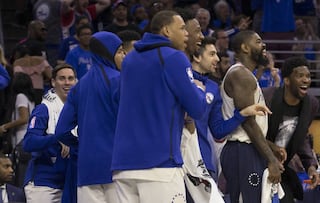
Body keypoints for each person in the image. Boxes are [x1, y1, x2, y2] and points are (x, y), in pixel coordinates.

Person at [111, 10, 208, 203]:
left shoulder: (130, 59)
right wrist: (199, 89)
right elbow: (197, 108)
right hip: (159, 165)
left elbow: (117, 98)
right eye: (181, 28)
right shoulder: (174, 57)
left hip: (123, 165)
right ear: (166, 30)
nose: (186, 33)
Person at [55, 31, 124, 203]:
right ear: (108, 52)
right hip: (117, 166)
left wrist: (82, 144)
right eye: (120, 51)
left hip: (87, 169)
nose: (124, 56)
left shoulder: (79, 86)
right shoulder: (120, 80)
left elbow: (61, 131)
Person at [220, 30, 285, 203]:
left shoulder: (247, 75)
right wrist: (271, 159)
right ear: (245, 48)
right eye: (258, 41)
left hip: (249, 149)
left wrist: (271, 147)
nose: (263, 45)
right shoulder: (240, 75)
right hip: (242, 151)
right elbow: (248, 124)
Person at [263, 56, 320, 202]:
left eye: (308, 76)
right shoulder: (266, 97)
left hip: (282, 169)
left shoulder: (311, 104)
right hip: (257, 162)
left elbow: (301, 137)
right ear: (287, 80)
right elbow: (251, 132)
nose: (306, 80)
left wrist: (310, 166)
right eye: (300, 76)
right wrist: (272, 151)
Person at [22, 64, 77, 203]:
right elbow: (28, 142)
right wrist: (57, 138)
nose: (67, 83)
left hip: (70, 182)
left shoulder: (80, 110)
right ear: (53, 82)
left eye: (70, 78)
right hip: (44, 183)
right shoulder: (44, 109)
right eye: (62, 78)